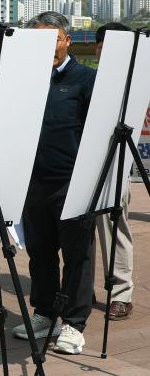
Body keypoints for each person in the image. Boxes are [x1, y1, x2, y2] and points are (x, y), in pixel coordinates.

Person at [13, 11, 97, 355]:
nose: (49, 47)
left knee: (78, 256)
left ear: (67, 41)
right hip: (34, 181)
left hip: (72, 182)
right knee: (40, 252)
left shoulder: (86, 79)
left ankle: (74, 324)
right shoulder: (25, 79)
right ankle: (45, 312)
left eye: (54, 39)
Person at [93, 21, 135, 320]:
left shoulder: (135, 83)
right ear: (97, 49)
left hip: (116, 162)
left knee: (113, 225)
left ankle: (121, 294)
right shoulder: (87, 80)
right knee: (75, 231)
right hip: (79, 165)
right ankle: (78, 288)